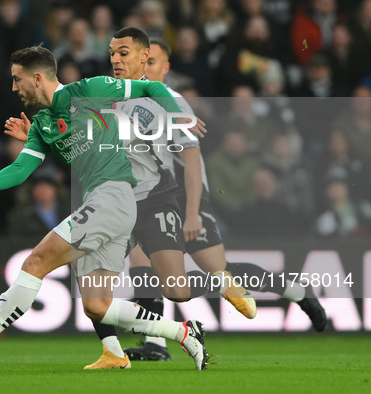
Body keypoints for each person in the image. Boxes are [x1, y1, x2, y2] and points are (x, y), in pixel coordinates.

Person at [0, 45, 210, 371]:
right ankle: (185, 333)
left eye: (16, 79)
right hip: (104, 203)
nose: (13, 88)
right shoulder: (42, 125)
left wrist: (174, 114)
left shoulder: (89, 89)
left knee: (36, 261)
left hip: (114, 197)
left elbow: (150, 85)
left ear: (37, 78)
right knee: (97, 306)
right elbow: (20, 171)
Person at [3, 30, 254, 370]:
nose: (116, 60)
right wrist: (41, 137)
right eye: (112, 54)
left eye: (124, 53)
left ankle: (219, 282)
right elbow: (77, 138)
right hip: (110, 197)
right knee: (86, 273)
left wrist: (193, 208)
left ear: (144, 56)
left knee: (175, 289)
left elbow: (188, 155)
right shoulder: (99, 89)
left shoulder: (164, 97)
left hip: (152, 195)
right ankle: (112, 350)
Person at [88, 35, 327, 366]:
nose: (142, 66)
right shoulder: (117, 96)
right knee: (143, 266)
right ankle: (155, 343)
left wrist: (192, 212)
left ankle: (297, 291)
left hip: (185, 196)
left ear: (162, 67)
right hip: (144, 198)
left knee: (217, 271)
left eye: (152, 62)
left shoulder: (170, 100)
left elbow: (192, 160)